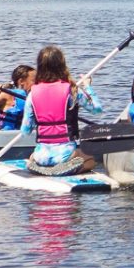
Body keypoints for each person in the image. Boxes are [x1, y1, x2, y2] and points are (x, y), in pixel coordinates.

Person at [22, 45, 104, 177]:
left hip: (41, 155)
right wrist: (88, 87)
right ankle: (65, 168)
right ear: (62, 65)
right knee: (91, 161)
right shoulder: (71, 91)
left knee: (33, 155)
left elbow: (25, 131)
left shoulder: (32, 94)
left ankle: (39, 164)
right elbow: (97, 110)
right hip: (65, 154)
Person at [0, 65, 34, 130]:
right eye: (34, 80)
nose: (38, 83)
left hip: (24, 135)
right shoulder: (7, 95)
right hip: (5, 134)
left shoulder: (34, 96)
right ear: (21, 81)